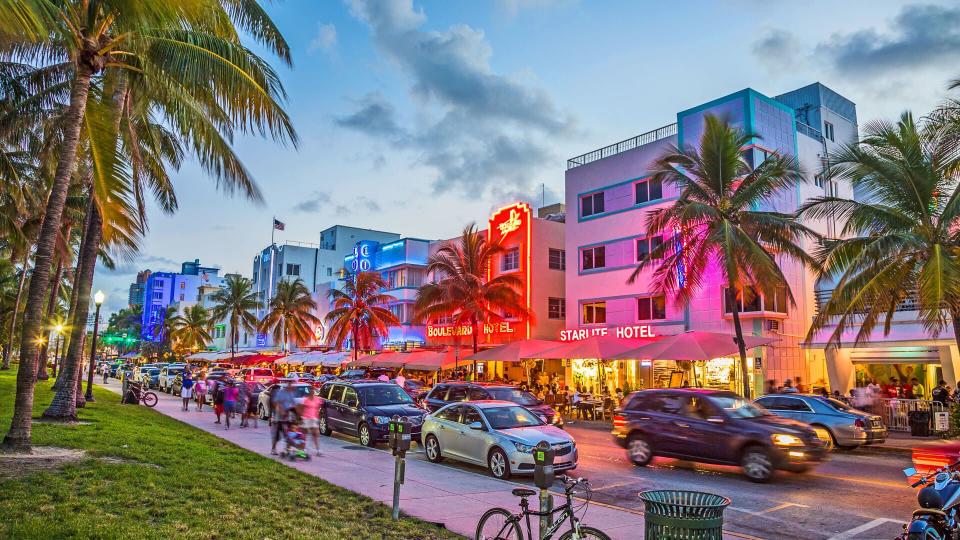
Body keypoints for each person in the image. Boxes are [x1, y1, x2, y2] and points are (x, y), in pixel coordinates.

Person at [271, 380, 297, 455]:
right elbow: (276, 403)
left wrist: (295, 415)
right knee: (277, 435)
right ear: (288, 385)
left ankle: (287, 449)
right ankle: (273, 449)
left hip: (287, 417)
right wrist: (281, 411)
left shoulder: (291, 394)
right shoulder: (281, 392)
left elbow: (293, 404)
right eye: (292, 385)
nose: (293, 386)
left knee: (288, 434)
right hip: (279, 417)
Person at [301, 387, 323, 456]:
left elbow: (319, 409)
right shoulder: (306, 400)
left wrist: (318, 417)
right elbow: (302, 409)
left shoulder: (317, 399)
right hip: (306, 418)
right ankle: (304, 449)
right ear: (309, 392)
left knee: (316, 434)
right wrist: (301, 418)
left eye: (313, 391)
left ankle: (318, 450)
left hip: (314, 418)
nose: (312, 392)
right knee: (305, 434)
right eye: (311, 391)